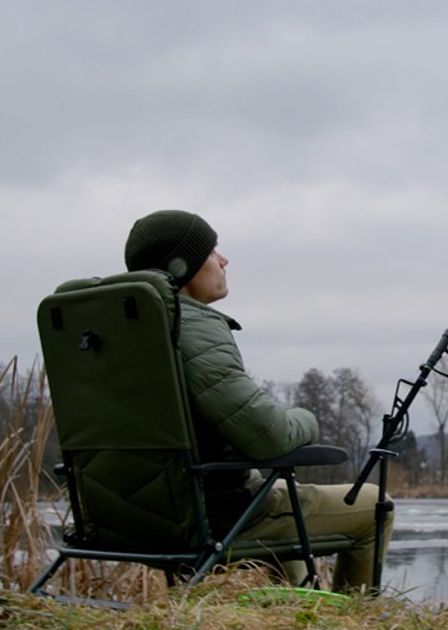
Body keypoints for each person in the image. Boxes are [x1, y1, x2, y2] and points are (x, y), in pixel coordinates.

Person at [123, 209, 392, 592]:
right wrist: (307, 419)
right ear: (181, 267)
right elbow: (270, 436)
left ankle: (301, 608)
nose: (223, 260)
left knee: (280, 494)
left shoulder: (126, 335)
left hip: (132, 517)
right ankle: (356, 620)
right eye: (211, 252)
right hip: (215, 518)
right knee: (375, 505)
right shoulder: (193, 330)